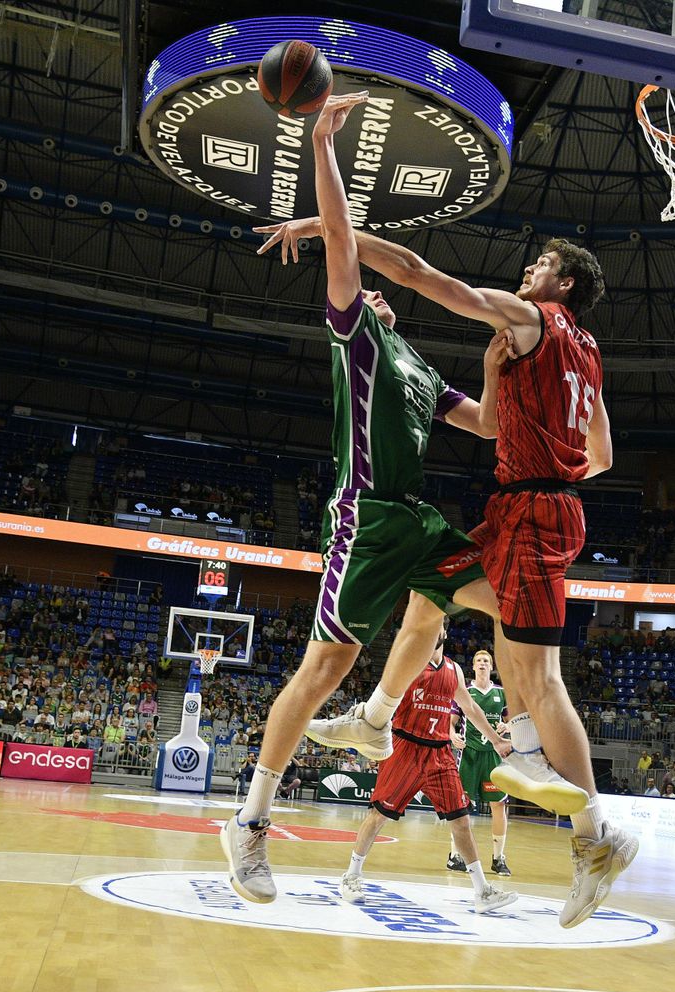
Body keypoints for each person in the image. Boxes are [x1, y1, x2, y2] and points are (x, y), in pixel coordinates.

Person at [259, 93, 633, 929]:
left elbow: (429, 279)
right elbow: (601, 455)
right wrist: (535, 427)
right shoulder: (590, 361)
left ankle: (595, 835)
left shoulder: (539, 319)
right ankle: (374, 717)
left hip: (534, 515)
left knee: (537, 679)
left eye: (538, 263)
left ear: (561, 283)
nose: (527, 270)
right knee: (429, 598)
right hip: (523, 508)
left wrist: (329, 231)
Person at [219, 92, 549, 908]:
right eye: (355, 283)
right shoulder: (354, 336)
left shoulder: (417, 367)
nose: (362, 286)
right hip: (363, 519)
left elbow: (490, 430)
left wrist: (496, 367)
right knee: (320, 666)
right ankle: (251, 821)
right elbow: (341, 240)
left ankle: (461, 731)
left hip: (418, 522)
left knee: (511, 605)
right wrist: (320, 142)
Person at [339, 626, 517, 915]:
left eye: (439, 623)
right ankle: (352, 875)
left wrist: (496, 740)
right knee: (378, 815)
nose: (433, 627)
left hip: (439, 752)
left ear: (445, 632)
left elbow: (469, 707)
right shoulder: (407, 661)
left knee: (461, 820)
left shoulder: (453, 670)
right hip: (405, 747)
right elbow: (382, 702)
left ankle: (482, 890)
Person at [452, 648, 516, 876]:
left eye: (486, 661)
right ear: (473, 666)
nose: (482, 663)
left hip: (493, 758)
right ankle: (455, 855)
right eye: (478, 660)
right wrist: (452, 734)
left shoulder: (502, 693)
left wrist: (508, 727)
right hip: (469, 755)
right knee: (461, 806)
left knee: (498, 805)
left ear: (491, 666)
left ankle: (499, 858)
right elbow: (451, 722)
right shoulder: (464, 691)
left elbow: (514, 721)